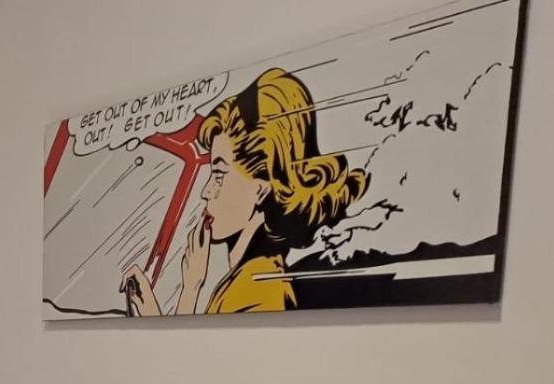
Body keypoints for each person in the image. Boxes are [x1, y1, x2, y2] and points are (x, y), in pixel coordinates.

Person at [121, 68, 370, 316]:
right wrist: (188, 288)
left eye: (219, 175)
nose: (206, 191)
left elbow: (195, 344)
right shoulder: (247, 278)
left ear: (261, 190)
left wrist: (190, 289)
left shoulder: (257, 291)